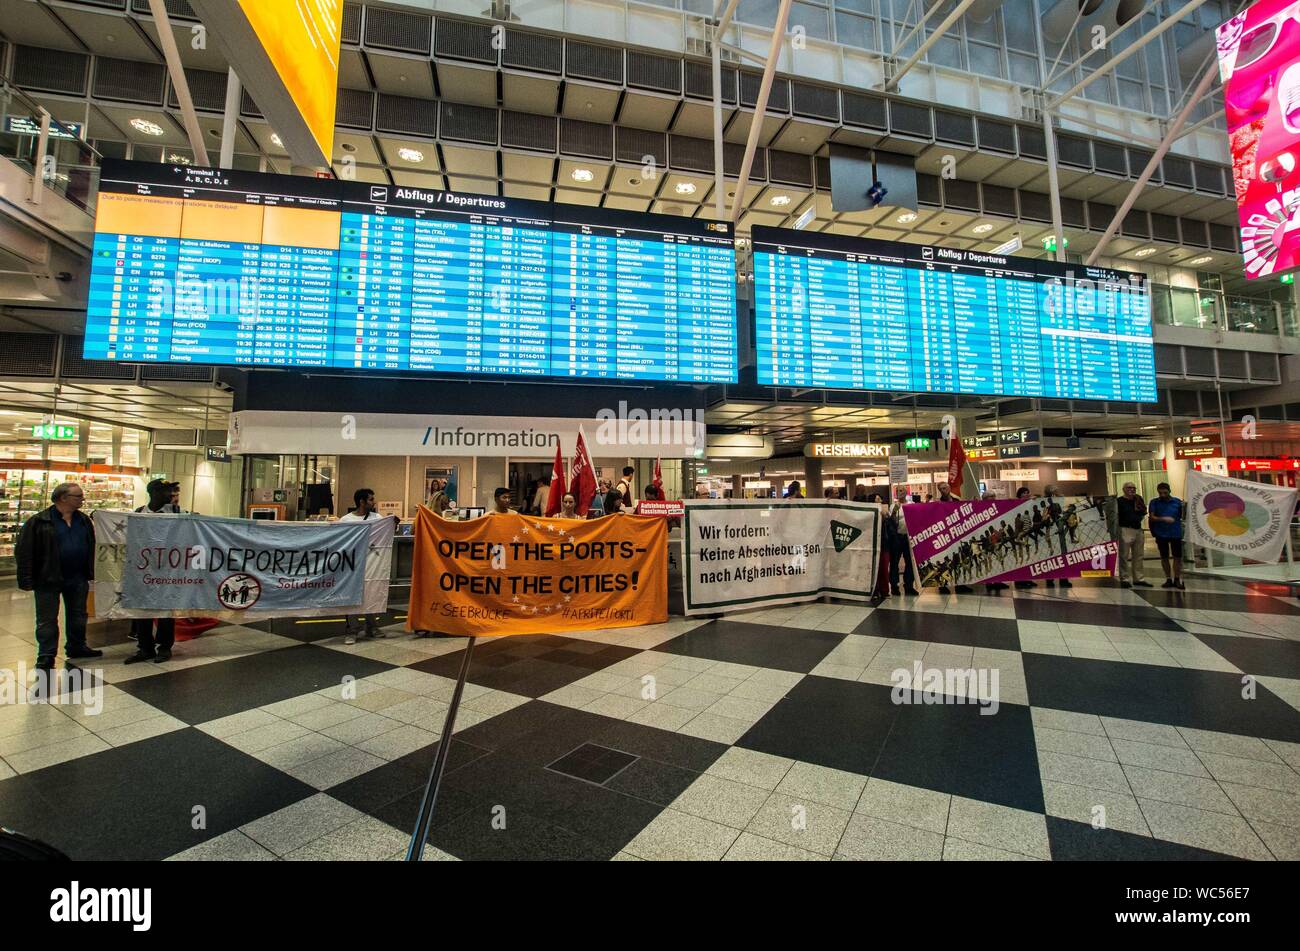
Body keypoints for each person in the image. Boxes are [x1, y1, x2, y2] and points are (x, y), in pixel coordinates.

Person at [15, 482, 100, 670]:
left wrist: (91, 571)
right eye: (78, 496)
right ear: (63, 498)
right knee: (47, 619)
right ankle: (46, 654)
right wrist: (26, 579)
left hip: (77, 577)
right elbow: (24, 551)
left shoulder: (84, 520)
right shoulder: (39, 521)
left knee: (78, 614)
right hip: (48, 578)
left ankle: (77, 646)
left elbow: (91, 545)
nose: (82, 499)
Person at [124, 479, 184, 664]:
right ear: (155, 493)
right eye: (167, 491)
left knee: (165, 611)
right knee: (143, 610)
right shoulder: (139, 514)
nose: (171, 495)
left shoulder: (176, 512)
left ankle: (165, 647)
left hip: (167, 571)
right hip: (143, 571)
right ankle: (145, 647)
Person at [337, 488, 387, 645]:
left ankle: (371, 626)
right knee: (351, 595)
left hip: (371, 562)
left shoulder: (377, 517)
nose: (374, 502)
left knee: (371, 592)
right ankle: (352, 628)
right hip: (351, 564)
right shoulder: (346, 520)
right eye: (371, 499)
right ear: (362, 502)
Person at [1148, 482, 1186, 590]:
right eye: (1160, 493)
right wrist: (1163, 519)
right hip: (1161, 533)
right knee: (1164, 557)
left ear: (1169, 491)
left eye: (1165, 492)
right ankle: (1168, 578)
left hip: (1175, 533)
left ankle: (1177, 578)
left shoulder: (1177, 502)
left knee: (1177, 557)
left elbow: (1183, 516)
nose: (1163, 495)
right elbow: (1152, 517)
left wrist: (1184, 508)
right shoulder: (1154, 502)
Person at [1116, 481, 1151, 588]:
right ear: (1124, 489)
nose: (1132, 489)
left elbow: (1143, 512)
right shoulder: (1119, 501)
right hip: (1125, 529)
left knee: (1139, 555)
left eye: (1133, 488)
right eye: (1129, 487)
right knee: (1124, 555)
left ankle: (1139, 578)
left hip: (1138, 529)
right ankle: (1124, 578)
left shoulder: (1138, 499)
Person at [886, 490, 918, 596]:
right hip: (897, 537)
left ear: (906, 493)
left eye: (903, 491)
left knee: (910, 562)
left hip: (909, 537)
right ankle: (894, 586)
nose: (901, 493)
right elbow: (891, 521)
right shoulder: (893, 506)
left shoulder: (912, 504)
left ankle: (908, 585)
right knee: (894, 562)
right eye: (899, 491)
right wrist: (895, 511)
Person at [1042, 486, 1073, 590]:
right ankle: (1050, 578)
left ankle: (1063, 578)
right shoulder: (1043, 502)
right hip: (1051, 528)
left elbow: (1061, 512)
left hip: (1059, 526)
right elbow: (1044, 516)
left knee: (1062, 554)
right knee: (1051, 555)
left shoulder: (1059, 501)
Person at [1013, 487, 1037, 589]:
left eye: (1028, 492)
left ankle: (1027, 578)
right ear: (1019, 495)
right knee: (1021, 555)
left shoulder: (1030, 504)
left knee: (1028, 555)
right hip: (1020, 533)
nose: (1026, 494)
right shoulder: (1015, 504)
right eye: (1024, 493)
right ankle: (1019, 580)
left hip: (1027, 533)